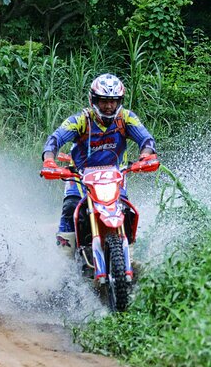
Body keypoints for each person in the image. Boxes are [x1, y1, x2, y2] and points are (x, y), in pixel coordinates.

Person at [41, 73, 156, 255]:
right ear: (93, 99)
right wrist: (49, 159)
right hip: (79, 176)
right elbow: (55, 139)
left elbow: (146, 139)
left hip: (115, 176)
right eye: (104, 101)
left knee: (125, 210)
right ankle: (62, 261)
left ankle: (131, 254)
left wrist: (145, 156)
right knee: (71, 208)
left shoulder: (126, 118)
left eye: (114, 101)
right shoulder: (81, 120)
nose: (109, 106)